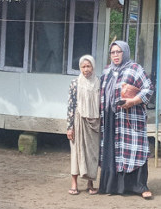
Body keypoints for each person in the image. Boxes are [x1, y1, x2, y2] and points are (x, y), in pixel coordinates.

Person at [98, 40, 154, 199]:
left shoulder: (135, 69)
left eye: (119, 52)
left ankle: (140, 187)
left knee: (135, 149)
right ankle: (114, 186)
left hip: (130, 118)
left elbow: (148, 89)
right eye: (113, 52)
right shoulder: (107, 71)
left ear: (125, 52)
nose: (115, 55)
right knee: (114, 151)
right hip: (111, 119)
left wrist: (133, 101)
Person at [66, 55, 101, 195]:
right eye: (83, 67)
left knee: (92, 154)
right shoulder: (75, 83)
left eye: (88, 66)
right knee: (76, 152)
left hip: (95, 122)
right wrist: (69, 127)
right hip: (79, 120)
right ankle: (74, 183)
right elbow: (70, 105)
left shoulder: (99, 83)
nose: (86, 69)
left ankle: (90, 183)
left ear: (93, 67)